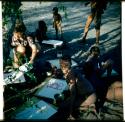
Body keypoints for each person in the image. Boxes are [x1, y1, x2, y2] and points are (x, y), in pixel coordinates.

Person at [57, 55, 97, 120]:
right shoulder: (73, 70)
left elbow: (73, 94)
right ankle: (85, 106)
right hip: (91, 94)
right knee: (66, 100)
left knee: (62, 106)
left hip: (88, 97)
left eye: (63, 66)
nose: (62, 67)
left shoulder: (70, 75)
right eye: (62, 65)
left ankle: (86, 106)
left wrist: (70, 112)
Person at [83, 45, 113, 111]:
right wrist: (102, 67)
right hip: (94, 77)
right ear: (98, 53)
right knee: (110, 61)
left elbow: (89, 69)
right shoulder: (93, 59)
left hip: (90, 77)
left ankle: (96, 103)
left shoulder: (90, 58)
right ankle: (108, 79)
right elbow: (96, 70)